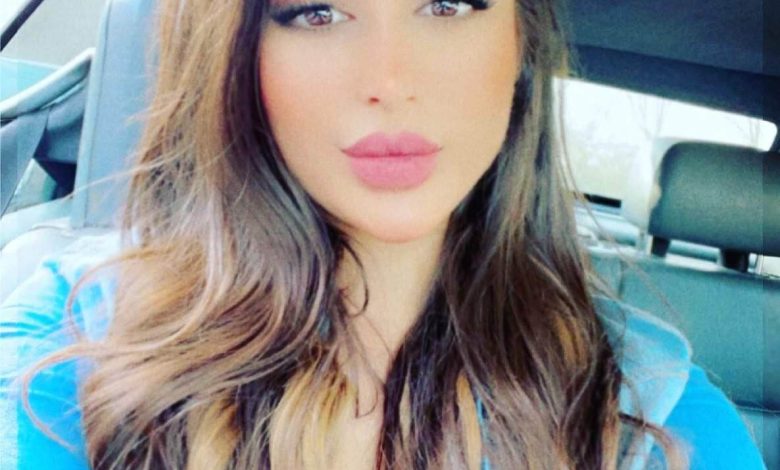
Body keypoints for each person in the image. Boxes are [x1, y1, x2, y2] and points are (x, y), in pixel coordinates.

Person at [0, 0, 766, 469]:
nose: (390, 79)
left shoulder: (655, 412)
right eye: (316, 12)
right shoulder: (72, 347)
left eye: (448, 3)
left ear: (521, 45)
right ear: (238, 55)